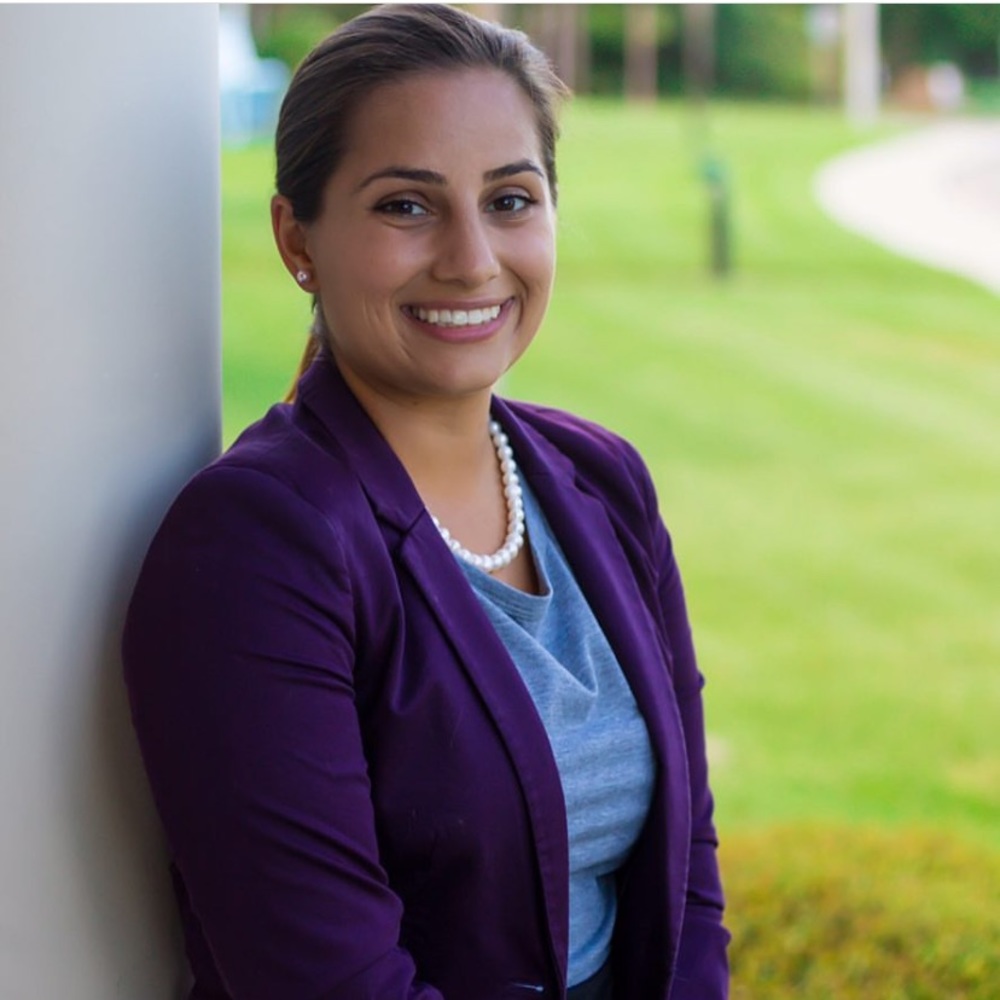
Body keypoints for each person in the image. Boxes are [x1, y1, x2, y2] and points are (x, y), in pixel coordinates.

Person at [122, 5, 729, 999]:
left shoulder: (603, 480)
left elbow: (688, 877)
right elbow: (324, 978)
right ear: (297, 238)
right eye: (406, 206)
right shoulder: (255, 547)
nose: (471, 259)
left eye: (510, 200)